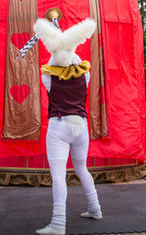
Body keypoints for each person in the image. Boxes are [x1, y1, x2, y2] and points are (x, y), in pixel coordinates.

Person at [33, 17, 102, 235]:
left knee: (58, 176)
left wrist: (57, 44)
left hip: (59, 125)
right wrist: (67, 44)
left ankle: (58, 223)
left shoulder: (47, 77)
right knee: (82, 168)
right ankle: (95, 208)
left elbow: (52, 64)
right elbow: (73, 62)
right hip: (80, 125)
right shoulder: (85, 74)